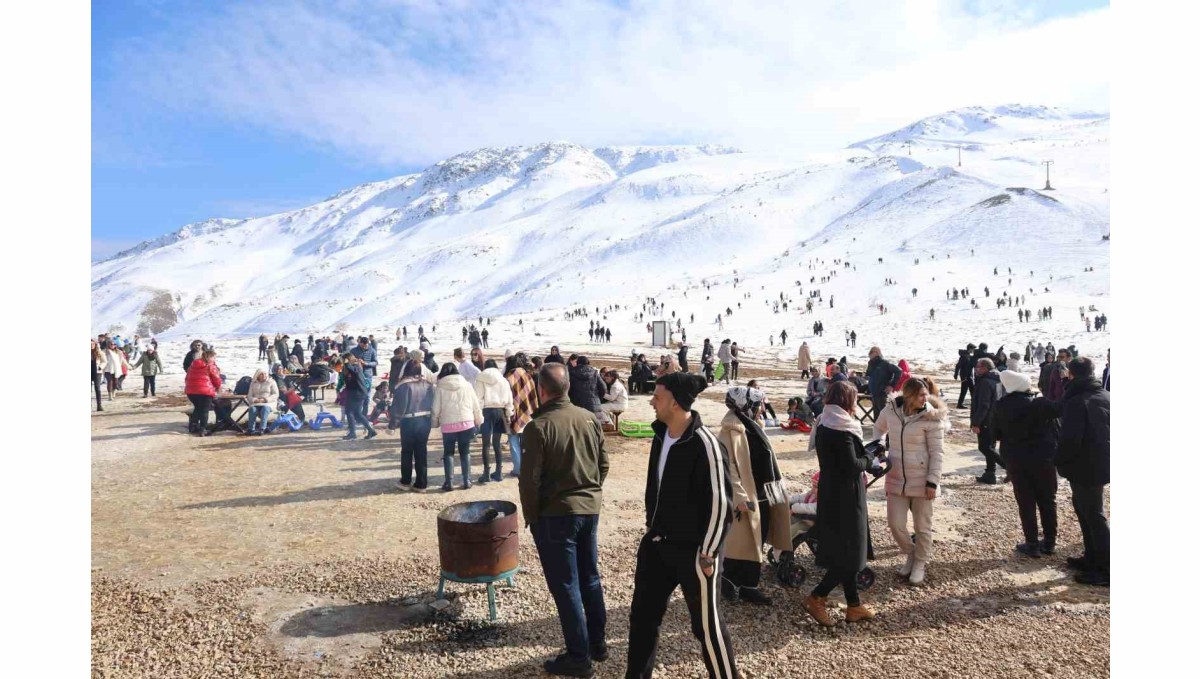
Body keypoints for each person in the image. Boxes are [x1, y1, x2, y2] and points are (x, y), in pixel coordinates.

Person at [627, 372, 738, 679]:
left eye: (657, 397)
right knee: (643, 618)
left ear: (675, 403)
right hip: (657, 544)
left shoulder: (707, 445)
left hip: (695, 553)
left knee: (706, 626)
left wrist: (708, 553)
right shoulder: (661, 434)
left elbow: (721, 506)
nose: (651, 401)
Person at [519, 363, 610, 677]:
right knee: (590, 578)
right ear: (568, 386)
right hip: (588, 509)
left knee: (567, 585)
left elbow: (529, 481)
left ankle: (579, 657)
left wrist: (532, 515)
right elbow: (603, 464)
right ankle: (597, 644)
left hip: (556, 515)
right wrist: (590, 493)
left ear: (541, 390)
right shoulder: (589, 418)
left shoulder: (538, 427)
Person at [801, 381, 878, 625]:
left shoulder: (825, 421)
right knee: (852, 552)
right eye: (854, 398)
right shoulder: (841, 427)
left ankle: (854, 606)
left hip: (832, 491)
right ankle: (817, 596)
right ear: (847, 400)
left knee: (846, 549)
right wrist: (870, 457)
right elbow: (852, 465)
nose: (856, 403)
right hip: (846, 495)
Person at [717, 387, 790, 605]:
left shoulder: (753, 425)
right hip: (748, 495)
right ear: (745, 404)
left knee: (758, 538)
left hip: (765, 492)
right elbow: (728, 467)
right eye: (759, 405)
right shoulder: (730, 430)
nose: (762, 409)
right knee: (743, 542)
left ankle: (750, 585)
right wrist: (739, 497)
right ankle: (728, 582)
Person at [874, 379, 946, 586]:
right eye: (921, 395)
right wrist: (880, 448)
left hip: (923, 481)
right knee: (895, 524)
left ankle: (920, 563)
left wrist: (932, 482)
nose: (926, 398)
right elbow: (878, 428)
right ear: (909, 395)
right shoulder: (891, 410)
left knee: (922, 526)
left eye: (926, 394)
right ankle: (911, 554)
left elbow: (937, 453)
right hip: (895, 477)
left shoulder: (932, 418)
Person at [991, 369, 1060, 558]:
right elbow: (1060, 416)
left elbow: (995, 434)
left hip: (1017, 460)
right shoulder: (1041, 403)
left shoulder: (1001, 405)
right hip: (1045, 459)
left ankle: (1032, 544)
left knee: (1026, 502)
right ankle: (1050, 542)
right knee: (1048, 500)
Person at [1055, 358, 1110, 585]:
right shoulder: (1106, 396)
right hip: (1101, 462)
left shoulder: (1077, 401)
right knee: (1085, 511)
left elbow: (1070, 440)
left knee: (1094, 515)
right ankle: (1092, 557)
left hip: (1085, 466)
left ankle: (1107, 569)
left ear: (1071, 374)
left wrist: (1059, 461)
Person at [431, 363, 484, 491]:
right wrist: (479, 420)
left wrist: (435, 423)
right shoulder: (467, 385)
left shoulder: (440, 387)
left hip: (448, 425)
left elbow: (435, 408)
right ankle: (467, 481)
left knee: (448, 453)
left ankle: (449, 482)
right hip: (466, 423)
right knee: (465, 452)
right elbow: (476, 405)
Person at [392, 360, 435, 492]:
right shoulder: (428, 384)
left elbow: (399, 407)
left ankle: (405, 481)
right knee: (421, 451)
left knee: (407, 451)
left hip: (409, 421)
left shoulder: (403, 385)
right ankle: (421, 483)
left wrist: (393, 424)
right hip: (425, 420)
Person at [475, 359, 515, 483]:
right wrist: (508, 413)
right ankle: (499, 472)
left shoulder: (481, 378)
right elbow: (509, 399)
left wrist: (477, 414)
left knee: (486, 444)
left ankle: (486, 473)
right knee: (497, 443)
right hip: (500, 411)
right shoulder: (503, 380)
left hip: (486, 411)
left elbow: (477, 398)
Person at [970, 358, 1006, 484]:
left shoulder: (985, 382)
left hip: (986, 420)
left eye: (978, 367)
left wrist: (976, 422)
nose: (976, 369)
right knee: (990, 447)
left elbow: (983, 405)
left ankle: (1009, 467)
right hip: (996, 418)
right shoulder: (998, 379)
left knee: (984, 447)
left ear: (985, 368)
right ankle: (990, 474)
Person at [506, 353, 539, 478]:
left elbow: (507, 398)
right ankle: (527, 468)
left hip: (513, 414)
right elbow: (533, 396)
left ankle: (518, 469)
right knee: (526, 444)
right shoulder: (528, 376)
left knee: (514, 443)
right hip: (528, 414)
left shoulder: (509, 377)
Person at [184, 349, 222, 436]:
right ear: (210, 357)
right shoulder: (210, 365)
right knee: (204, 410)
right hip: (205, 391)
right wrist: (218, 387)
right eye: (214, 358)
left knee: (197, 408)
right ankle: (203, 429)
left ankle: (193, 427)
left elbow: (187, 378)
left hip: (191, 392)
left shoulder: (192, 365)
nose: (215, 360)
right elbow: (216, 378)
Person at [341, 354, 378, 441]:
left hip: (358, 393)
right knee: (357, 414)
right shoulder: (351, 367)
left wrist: (347, 364)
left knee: (349, 412)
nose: (343, 362)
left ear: (348, 359)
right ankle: (371, 431)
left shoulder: (356, 366)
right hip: (354, 393)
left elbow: (354, 372)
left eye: (344, 360)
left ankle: (352, 433)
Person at [567, 355, 607, 424]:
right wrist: (597, 399)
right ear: (588, 363)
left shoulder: (572, 372)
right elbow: (603, 388)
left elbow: (567, 388)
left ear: (577, 363)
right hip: (594, 409)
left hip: (577, 407)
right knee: (594, 426)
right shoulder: (594, 373)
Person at [865, 346, 902, 420]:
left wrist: (891, 385)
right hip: (874, 394)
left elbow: (899, 371)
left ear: (877, 353)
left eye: (871, 352)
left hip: (882, 394)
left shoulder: (885, 364)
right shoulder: (871, 364)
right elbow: (869, 375)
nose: (869, 354)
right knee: (876, 418)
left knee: (884, 417)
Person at [244, 368, 278, 435]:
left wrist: (266, 400)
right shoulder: (253, 383)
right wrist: (254, 400)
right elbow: (249, 395)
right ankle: (251, 429)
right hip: (256, 402)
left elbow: (275, 394)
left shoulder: (271, 382)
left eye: (265, 374)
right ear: (258, 375)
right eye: (261, 374)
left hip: (268, 402)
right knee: (252, 409)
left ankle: (262, 428)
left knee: (265, 409)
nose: (264, 375)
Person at [953, 343, 976, 409]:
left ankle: (962, 404)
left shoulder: (968, 356)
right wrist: (956, 374)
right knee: (967, 391)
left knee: (969, 391)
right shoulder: (964, 357)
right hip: (965, 377)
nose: (973, 350)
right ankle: (962, 404)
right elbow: (958, 366)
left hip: (968, 376)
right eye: (973, 349)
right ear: (970, 349)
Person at [92, 341, 105, 411]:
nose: (91, 345)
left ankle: (99, 405)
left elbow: (104, 361)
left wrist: (101, 366)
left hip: (97, 372)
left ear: (95, 345)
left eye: (93, 344)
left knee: (97, 388)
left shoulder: (99, 352)